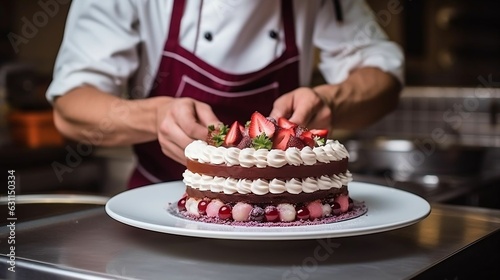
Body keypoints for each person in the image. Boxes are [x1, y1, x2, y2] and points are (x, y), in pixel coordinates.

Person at [46, 0, 404, 189]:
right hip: (159, 216)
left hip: (285, 221)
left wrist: (331, 102)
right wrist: (155, 116)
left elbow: (383, 81)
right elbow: (71, 106)